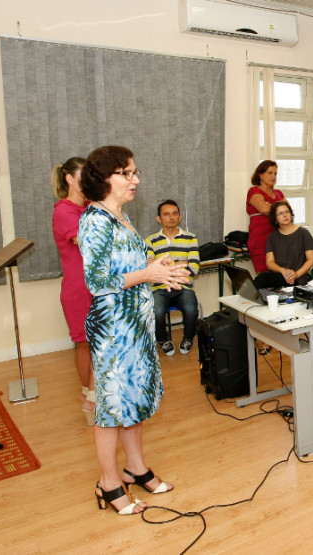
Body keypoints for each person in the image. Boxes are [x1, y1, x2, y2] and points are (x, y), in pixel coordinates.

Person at [78, 146, 189, 515]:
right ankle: (109, 484)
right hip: (114, 330)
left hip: (135, 326)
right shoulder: (95, 221)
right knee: (112, 408)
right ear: (104, 178)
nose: (135, 179)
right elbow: (97, 282)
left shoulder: (120, 216)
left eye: (135, 172)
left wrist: (160, 267)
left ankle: (135, 469)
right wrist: (148, 274)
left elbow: (130, 264)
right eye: (127, 173)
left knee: (134, 400)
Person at [51, 156, 95, 423]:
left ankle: (94, 395)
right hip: (79, 289)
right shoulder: (63, 211)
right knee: (85, 344)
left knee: (101, 343)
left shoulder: (91, 207)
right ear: (69, 179)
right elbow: (87, 242)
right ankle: (89, 396)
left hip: (98, 285)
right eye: (84, 176)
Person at [145, 200, 200, 357]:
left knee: (191, 310)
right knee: (156, 312)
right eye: (166, 214)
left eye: (175, 213)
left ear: (180, 217)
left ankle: (188, 338)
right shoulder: (150, 240)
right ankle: (163, 340)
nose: (171, 217)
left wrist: (164, 265)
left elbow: (194, 268)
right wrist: (180, 263)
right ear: (159, 218)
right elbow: (150, 268)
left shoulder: (190, 238)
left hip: (184, 286)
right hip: (160, 288)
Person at [254, 200, 313, 289]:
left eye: (287, 212)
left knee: (261, 279)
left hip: (298, 277)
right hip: (279, 275)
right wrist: (283, 271)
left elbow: (311, 259)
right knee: (261, 279)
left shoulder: (303, 233)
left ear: (291, 214)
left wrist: (295, 274)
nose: (285, 215)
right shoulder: (272, 237)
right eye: (280, 213)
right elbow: (270, 263)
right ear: (275, 218)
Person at [246, 160, 284, 273]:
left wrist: (270, 206)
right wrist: (278, 206)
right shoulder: (254, 191)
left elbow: (287, 211)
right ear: (260, 174)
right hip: (261, 241)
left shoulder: (278, 193)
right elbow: (264, 209)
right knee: (266, 276)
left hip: (280, 240)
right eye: (270, 173)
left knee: (282, 275)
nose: (273, 176)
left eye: (275, 173)